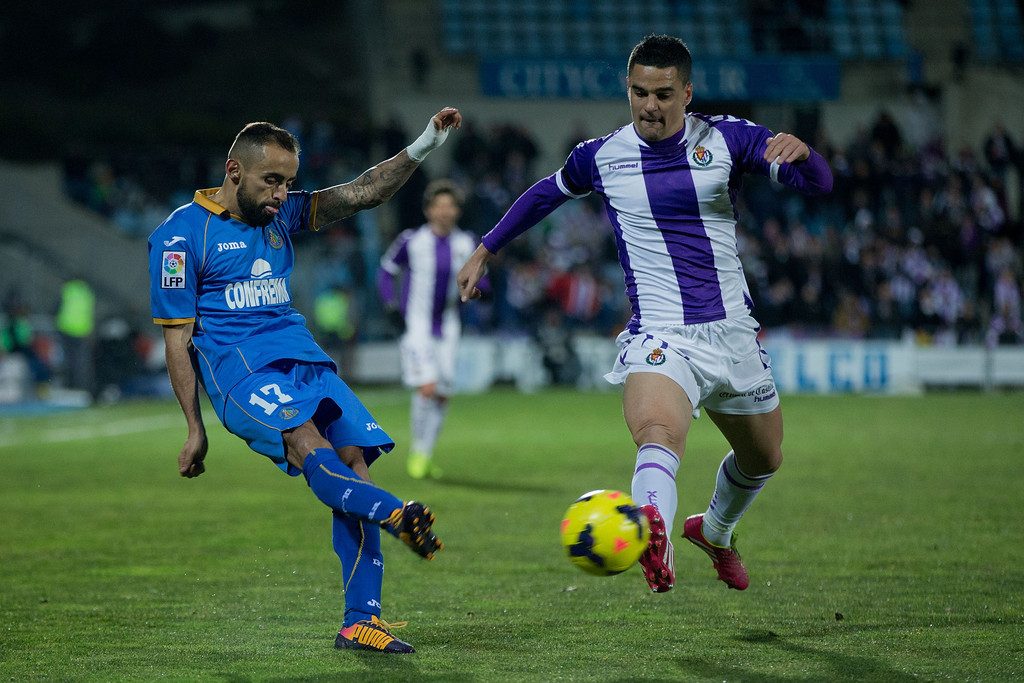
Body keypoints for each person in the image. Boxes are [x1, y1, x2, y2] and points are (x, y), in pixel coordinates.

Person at [458, 35, 832, 594]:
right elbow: (544, 194)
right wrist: (486, 248)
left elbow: (819, 185)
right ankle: (651, 529)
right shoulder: (601, 156)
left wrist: (808, 154)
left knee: (764, 457)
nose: (649, 106)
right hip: (660, 332)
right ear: (627, 90)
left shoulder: (727, 139)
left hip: (732, 332)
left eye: (662, 94)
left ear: (686, 92)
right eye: (638, 93)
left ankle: (715, 530)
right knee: (659, 432)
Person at [147, 107, 461, 654]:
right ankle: (392, 511)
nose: (280, 194)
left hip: (305, 357)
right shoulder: (179, 237)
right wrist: (194, 427)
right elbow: (177, 339)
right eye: (272, 181)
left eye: (288, 182)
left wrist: (425, 144)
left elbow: (364, 192)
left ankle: (361, 622)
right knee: (305, 442)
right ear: (234, 171)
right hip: (241, 371)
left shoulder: (283, 216)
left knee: (355, 461)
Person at [377, 180, 479, 480]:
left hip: (448, 325)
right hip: (418, 324)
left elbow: (480, 279)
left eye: (450, 206)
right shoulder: (412, 240)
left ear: (457, 211)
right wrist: (390, 305)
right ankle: (418, 454)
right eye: (439, 205)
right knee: (427, 388)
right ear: (428, 209)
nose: (444, 211)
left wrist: (480, 291)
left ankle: (426, 452)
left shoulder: (466, 243)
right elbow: (386, 271)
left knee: (443, 394)